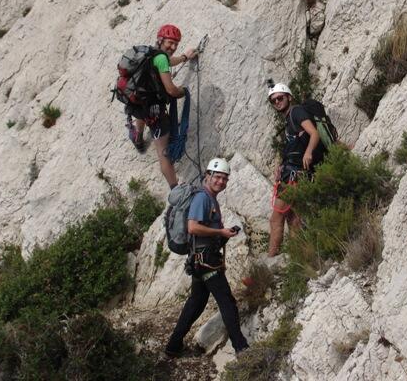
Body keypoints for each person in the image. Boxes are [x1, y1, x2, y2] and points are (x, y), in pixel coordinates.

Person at [165, 157, 249, 356]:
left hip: (201, 260)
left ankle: (172, 347)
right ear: (208, 176)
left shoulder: (210, 198)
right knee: (227, 302)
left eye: (225, 178)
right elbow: (193, 227)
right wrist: (220, 232)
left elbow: (205, 230)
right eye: (218, 177)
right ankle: (242, 348)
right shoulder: (202, 198)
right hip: (206, 262)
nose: (221, 181)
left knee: (196, 303)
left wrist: (224, 234)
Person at [126, 24, 197, 188]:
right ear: (161, 40)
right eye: (170, 43)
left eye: (176, 44)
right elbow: (171, 90)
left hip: (137, 101)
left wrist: (184, 57)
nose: (173, 47)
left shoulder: (150, 52)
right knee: (164, 154)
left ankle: (138, 137)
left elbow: (168, 61)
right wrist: (183, 92)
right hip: (154, 111)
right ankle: (175, 190)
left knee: (141, 113)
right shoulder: (161, 59)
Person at [266, 83, 324, 257]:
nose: (277, 102)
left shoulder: (296, 112)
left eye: (280, 98)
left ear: (289, 97)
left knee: (276, 219)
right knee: (294, 220)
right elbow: (295, 147)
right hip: (295, 173)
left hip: (293, 176)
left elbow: (314, 133)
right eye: (273, 100)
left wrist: (308, 153)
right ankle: (297, 257)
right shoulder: (289, 119)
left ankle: (271, 259)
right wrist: (281, 165)